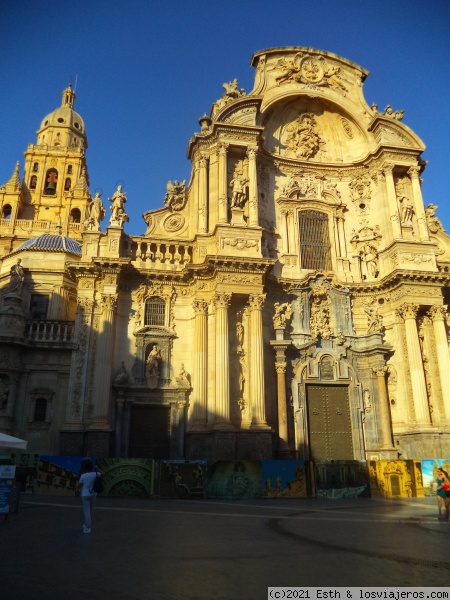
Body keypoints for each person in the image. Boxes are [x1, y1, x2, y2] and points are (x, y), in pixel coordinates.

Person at [78, 459, 103, 534]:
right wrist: (97, 468)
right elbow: (103, 474)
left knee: (86, 511)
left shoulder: (83, 475)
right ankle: (85, 524)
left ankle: (87, 528)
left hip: (85, 494)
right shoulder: (95, 474)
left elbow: (80, 485)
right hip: (93, 494)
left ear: (84, 467)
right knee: (90, 511)